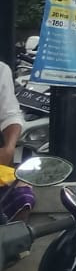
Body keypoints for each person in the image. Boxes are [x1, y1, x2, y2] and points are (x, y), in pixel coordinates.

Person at [0, 61, 32, 224]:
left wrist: (9, 148)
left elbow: (10, 115)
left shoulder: (1, 70)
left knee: (23, 195)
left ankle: (10, 245)